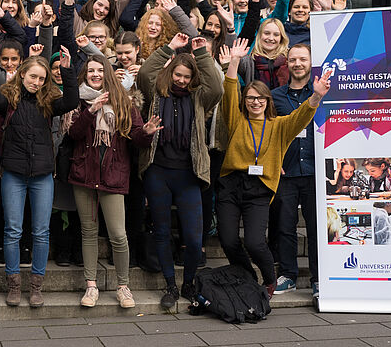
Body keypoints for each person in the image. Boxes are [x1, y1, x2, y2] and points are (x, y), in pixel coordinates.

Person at [220, 38, 331, 299]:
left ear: (267, 101)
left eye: (260, 98)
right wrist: (234, 63)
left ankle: (277, 279)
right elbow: (229, 93)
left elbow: (300, 117)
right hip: (235, 183)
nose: (255, 102)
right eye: (250, 98)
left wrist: (316, 96)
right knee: (234, 239)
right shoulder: (236, 119)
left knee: (256, 241)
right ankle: (254, 275)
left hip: (264, 186)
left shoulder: (278, 125)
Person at [0, 37, 78, 308]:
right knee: (13, 230)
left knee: (40, 232)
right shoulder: (8, 100)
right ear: (22, 73)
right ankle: (14, 284)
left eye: (41, 78)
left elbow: (72, 100)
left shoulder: (49, 102)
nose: (36, 82)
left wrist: (68, 69)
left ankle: (36, 286)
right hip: (13, 173)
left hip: (41, 175)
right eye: (33, 76)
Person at [137, 33, 224, 309]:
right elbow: (145, 75)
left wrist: (201, 54)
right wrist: (169, 48)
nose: (182, 80)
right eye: (178, 75)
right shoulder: (155, 94)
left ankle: (188, 283)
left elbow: (217, 89)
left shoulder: (199, 98)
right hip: (158, 172)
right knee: (161, 230)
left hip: (188, 174)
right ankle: (170, 286)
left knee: (193, 235)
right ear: (171, 71)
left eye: (187, 76)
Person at [68, 55, 160, 309]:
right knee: (88, 232)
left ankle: (123, 286)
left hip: (113, 175)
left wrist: (148, 132)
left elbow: (137, 138)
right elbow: (74, 133)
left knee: (118, 235)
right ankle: (91, 286)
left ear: (107, 73)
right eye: (90, 71)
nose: (95, 75)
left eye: (99, 70)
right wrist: (91, 110)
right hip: (84, 173)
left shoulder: (123, 101)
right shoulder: (78, 99)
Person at [271, 44, 320, 298]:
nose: (298, 64)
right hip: (286, 171)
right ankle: (288, 275)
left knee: (315, 228)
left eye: (303, 59)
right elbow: (268, 132)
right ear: (286, 64)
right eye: (293, 60)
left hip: (315, 171)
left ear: (311, 63)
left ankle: (318, 279)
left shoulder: (321, 93)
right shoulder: (275, 96)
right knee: (285, 226)